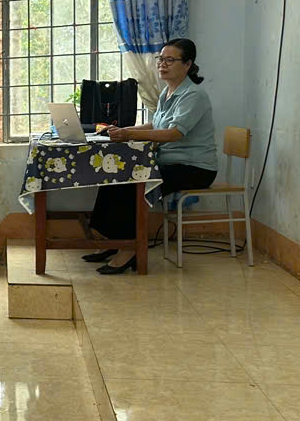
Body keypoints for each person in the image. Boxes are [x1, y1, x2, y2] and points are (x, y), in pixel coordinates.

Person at [88, 38, 219, 274]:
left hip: (194, 168)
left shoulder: (194, 95)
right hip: (167, 162)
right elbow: (155, 125)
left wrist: (129, 134)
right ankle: (111, 241)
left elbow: (174, 133)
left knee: (133, 183)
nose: (162, 64)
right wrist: (120, 130)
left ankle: (130, 249)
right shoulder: (167, 92)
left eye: (170, 60)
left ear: (187, 64)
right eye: (160, 59)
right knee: (113, 176)